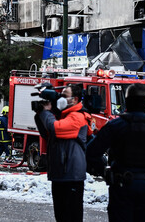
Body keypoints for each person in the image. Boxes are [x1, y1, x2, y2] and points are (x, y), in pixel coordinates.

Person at [86, 83, 145, 222]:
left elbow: (91, 152)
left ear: (127, 102)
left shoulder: (115, 125)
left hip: (121, 185)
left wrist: (104, 171)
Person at [35, 84, 92, 222]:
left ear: (75, 99)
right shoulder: (64, 116)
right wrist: (41, 113)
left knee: (70, 216)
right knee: (61, 216)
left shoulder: (77, 117)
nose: (61, 99)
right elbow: (46, 133)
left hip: (71, 175)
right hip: (62, 174)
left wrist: (46, 112)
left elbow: (55, 129)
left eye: (65, 96)